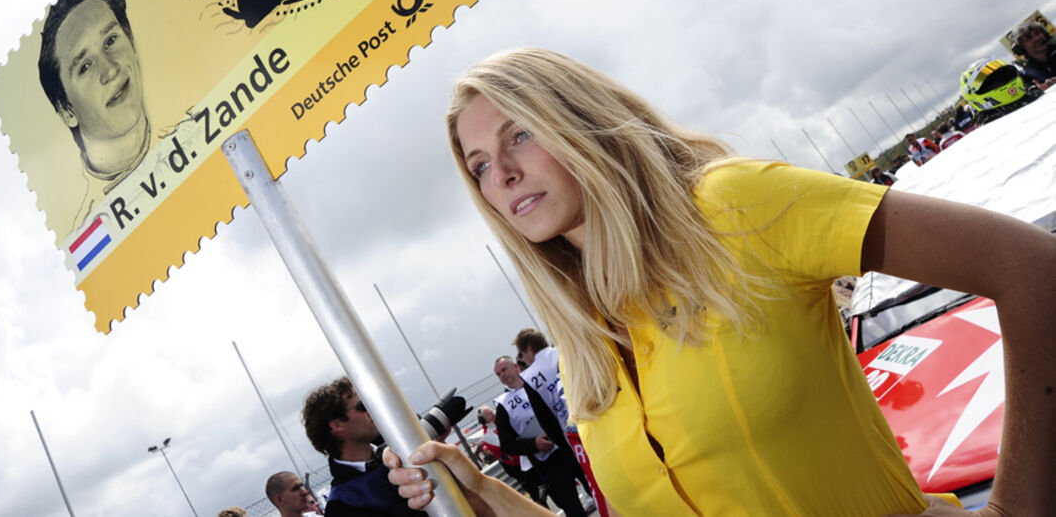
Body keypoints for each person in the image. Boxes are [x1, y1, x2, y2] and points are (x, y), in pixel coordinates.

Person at [385, 47, 1056, 516]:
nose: (499, 174)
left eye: (519, 135)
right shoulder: (585, 344)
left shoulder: (734, 208)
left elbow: (1030, 267)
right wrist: (484, 493)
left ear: (580, 120)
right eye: (477, 165)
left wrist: (1016, 506)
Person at [38, 0, 151, 228]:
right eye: (85, 66)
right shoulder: (90, 233)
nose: (110, 70)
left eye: (111, 40)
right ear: (67, 110)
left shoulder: (203, 127)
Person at [302, 377, 420, 517]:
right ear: (338, 425)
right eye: (362, 405)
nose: (371, 409)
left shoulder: (402, 449)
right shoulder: (342, 505)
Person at [492, 356, 587, 517]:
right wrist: (533, 444)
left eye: (504, 370)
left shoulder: (536, 381)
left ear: (515, 367)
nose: (502, 375)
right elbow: (507, 445)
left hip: (572, 448)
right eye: (498, 374)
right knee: (574, 510)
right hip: (549, 463)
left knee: (602, 492)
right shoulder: (503, 405)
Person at [475, 404, 546, 505]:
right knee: (537, 495)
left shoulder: (501, 422)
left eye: (492, 411)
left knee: (546, 485)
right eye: (490, 414)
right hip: (516, 467)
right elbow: (508, 446)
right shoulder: (488, 435)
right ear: (483, 420)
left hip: (527, 459)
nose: (493, 413)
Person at [1011, 20, 1056, 88]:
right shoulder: (1028, 74)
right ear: (1021, 48)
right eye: (1029, 38)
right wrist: (1039, 91)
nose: (1037, 38)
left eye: (1037, 33)